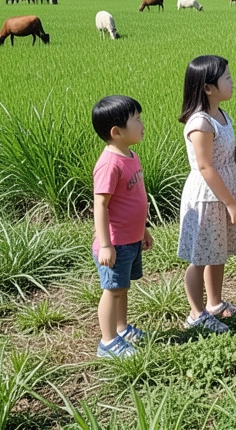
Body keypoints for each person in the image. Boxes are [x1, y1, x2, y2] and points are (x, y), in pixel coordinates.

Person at [178, 55, 236, 333]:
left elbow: (218, 158)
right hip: (207, 197)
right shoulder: (200, 123)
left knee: (217, 252)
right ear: (209, 87)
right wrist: (232, 204)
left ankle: (215, 304)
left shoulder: (221, 115)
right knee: (200, 257)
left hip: (220, 192)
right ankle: (196, 314)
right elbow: (205, 167)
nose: (232, 83)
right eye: (227, 78)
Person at [91, 95, 152, 359]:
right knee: (112, 290)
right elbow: (100, 206)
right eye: (136, 120)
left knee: (123, 287)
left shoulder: (130, 155)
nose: (142, 124)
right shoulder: (109, 164)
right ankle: (107, 342)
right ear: (116, 132)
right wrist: (106, 245)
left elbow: (136, 198)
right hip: (115, 242)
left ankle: (121, 328)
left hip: (131, 238)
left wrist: (143, 230)